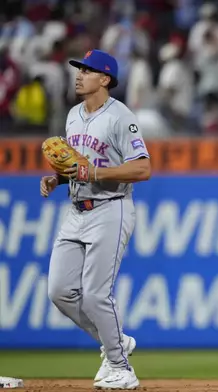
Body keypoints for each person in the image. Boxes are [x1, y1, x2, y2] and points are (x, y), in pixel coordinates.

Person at [40, 49, 151, 390]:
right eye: (78, 69)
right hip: (76, 210)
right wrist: (58, 179)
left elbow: (143, 168)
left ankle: (122, 367)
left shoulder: (121, 117)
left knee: (95, 294)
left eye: (86, 70)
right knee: (59, 291)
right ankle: (116, 341)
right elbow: (77, 165)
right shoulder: (73, 115)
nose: (78, 75)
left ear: (105, 79)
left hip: (111, 207)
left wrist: (96, 171)